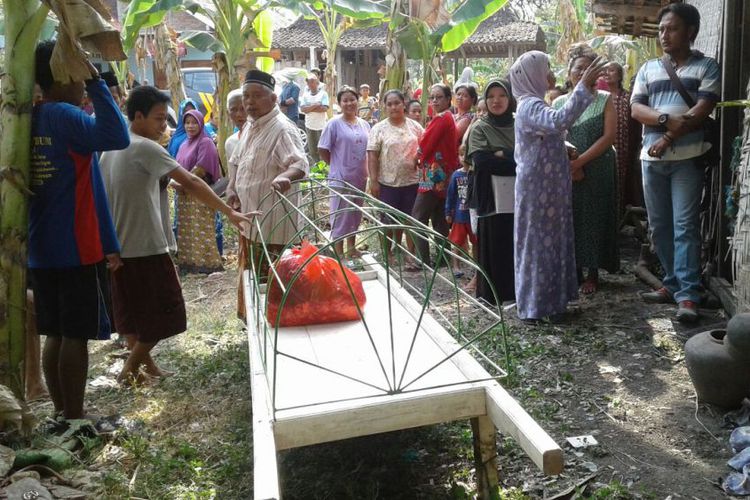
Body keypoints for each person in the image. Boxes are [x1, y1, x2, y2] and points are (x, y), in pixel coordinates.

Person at [100, 86, 254, 384]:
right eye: (159, 119)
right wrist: (229, 212)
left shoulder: (111, 148)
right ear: (139, 116)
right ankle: (129, 370)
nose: (164, 126)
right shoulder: (145, 148)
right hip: (145, 245)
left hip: (119, 247)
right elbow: (192, 183)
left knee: (130, 315)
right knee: (165, 313)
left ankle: (148, 368)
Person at [30, 41, 129, 419]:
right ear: (66, 74)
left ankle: (61, 413)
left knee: (54, 333)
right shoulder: (63, 116)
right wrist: (98, 81)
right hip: (75, 245)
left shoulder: (27, 118)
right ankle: (75, 415)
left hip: (40, 248)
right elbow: (116, 135)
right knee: (75, 334)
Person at [631, 3, 720, 323]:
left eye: (672, 29)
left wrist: (666, 137)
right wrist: (667, 119)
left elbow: (702, 110)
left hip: (687, 159)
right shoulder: (648, 69)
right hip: (650, 159)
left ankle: (688, 295)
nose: (664, 35)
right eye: (661, 30)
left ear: (691, 32)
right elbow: (636, 110)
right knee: (660, 227)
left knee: (685, 226)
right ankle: (671, 283)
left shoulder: (707, 67)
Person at [510, 50, 608, 322]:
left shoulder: (534, 104)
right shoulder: (530, 105)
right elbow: (558, 121)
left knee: (552, 241)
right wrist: (582, 87)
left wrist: (562, 146)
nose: (552, 74)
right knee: (539, 244)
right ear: (532, 75)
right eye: (547, 68)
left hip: (549, 185)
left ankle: (552, 304)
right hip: (539, 187)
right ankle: (534, 308)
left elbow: (545, 133)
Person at [226, 70, 309, 319]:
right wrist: (232, 187)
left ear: (273, 99)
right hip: (251, 221)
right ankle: (254, 324)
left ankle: (277, 327)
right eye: (246, 96)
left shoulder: (282, 129)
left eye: (257, 96)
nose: (249, 102)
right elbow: (238, 161)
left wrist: (286, 176)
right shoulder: (251, 125)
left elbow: (299, 164)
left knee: (275, 282)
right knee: (252, 277)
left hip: (274, 225)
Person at [553, 45, 619, 295]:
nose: (582, 73)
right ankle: (575, 269)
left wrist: (580, 162)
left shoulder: (604, 99)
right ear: (569, 72)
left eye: (587, 68)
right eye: (577, 68)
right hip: (566, 167)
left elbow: (609, 137)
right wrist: (569, 163)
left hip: (598, 166)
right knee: (571, 216)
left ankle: (593, 272)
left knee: (595, 216)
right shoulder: (559, 102)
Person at [465, 80, 517, 305]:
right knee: (493, 240)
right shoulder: (480, 127)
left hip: (518, 194)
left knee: (514, 239)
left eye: (502, 96)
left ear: (510, 99)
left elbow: (528, 158)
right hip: (490, 195)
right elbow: (482, 161)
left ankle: (515, 293)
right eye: (491, 96)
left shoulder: (520, 125)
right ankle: (491, 296)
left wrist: (501, 153)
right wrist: (511, 157)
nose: (496, 101)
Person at [367, 89, 424, 264]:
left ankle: (410, 254)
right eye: (389, 104)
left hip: (412, 182)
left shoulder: (415, 126)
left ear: (403, 104)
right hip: (387, 183)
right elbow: (372, 156)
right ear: (384, 106)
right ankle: (388, 253)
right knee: (387, 220)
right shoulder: (379, 129)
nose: (393, 107)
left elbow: (426, 148)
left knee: (410, 220)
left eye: (397, 103)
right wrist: (374, 181)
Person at [318, 87, 371, 258]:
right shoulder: (333, 123)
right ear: (339, 104)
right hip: (340, 177)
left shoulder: (365, 124)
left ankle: (351, 248)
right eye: (345, 100)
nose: (349, 103)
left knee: (355, 213)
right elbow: (323, 149)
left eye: (352, 99)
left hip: (360, 176)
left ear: (357, 101)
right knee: (340, 213)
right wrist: (335, 166)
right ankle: (339, 251)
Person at [413, 83, 459, 266]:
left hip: (433, 173)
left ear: (448, 99)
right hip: (444, 173)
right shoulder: (448, 117)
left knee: (417, 217)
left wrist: (416, 156)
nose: (434, 101)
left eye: (439, 97)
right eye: (432, 97)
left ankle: (422, 259)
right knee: (439, 218)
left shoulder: (441, 118)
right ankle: (443, 259)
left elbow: (426, 143)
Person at [174, 109, 224, 273]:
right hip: (184, 194)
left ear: (201, 123)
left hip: (200, 193)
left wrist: (182, 182)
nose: (190, 126)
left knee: (203, 230)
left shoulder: (205, 142)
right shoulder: (184, 144)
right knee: (187, 231)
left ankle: (209, 265)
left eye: (194, 122)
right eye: (187, 122)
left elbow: (201, 168)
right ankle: (189, 264)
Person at [605, 62, 642, 215]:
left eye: (611, 70)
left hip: (625, 149)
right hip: (605, 147)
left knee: (623, 182)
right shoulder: (599, 98)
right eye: (605, 70)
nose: (607, 73)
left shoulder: (627, 98)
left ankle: (620, 217)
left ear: (619, 75)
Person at [445, 146, 477, 279]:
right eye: (461, 155)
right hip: (459, 216)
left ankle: (477, 266)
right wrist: (448, 212)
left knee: (476, 242)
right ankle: (456, 266)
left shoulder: (475, 173)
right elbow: (450, 195)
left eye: (466, 155)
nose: (463, 158)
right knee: (456, 242)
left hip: (473, 216)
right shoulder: (456, 175)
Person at [300, 73, 329, 164]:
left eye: (312, 81)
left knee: (322, 149)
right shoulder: (305, 95)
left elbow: (324, 108)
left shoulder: (323, 94)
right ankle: (317, 166)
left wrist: (309, 108)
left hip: (321, 126)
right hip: (309, 126)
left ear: (317, 82)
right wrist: (316, 105)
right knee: (312, 150)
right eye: (308, 82)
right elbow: (303, 109)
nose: (310, 84)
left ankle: (324, 167)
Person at [225, 88, 248, 162]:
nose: (239, 114)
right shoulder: (230, 143)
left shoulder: (263, 138)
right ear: (228, 113)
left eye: (243, 109)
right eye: (234, 110)